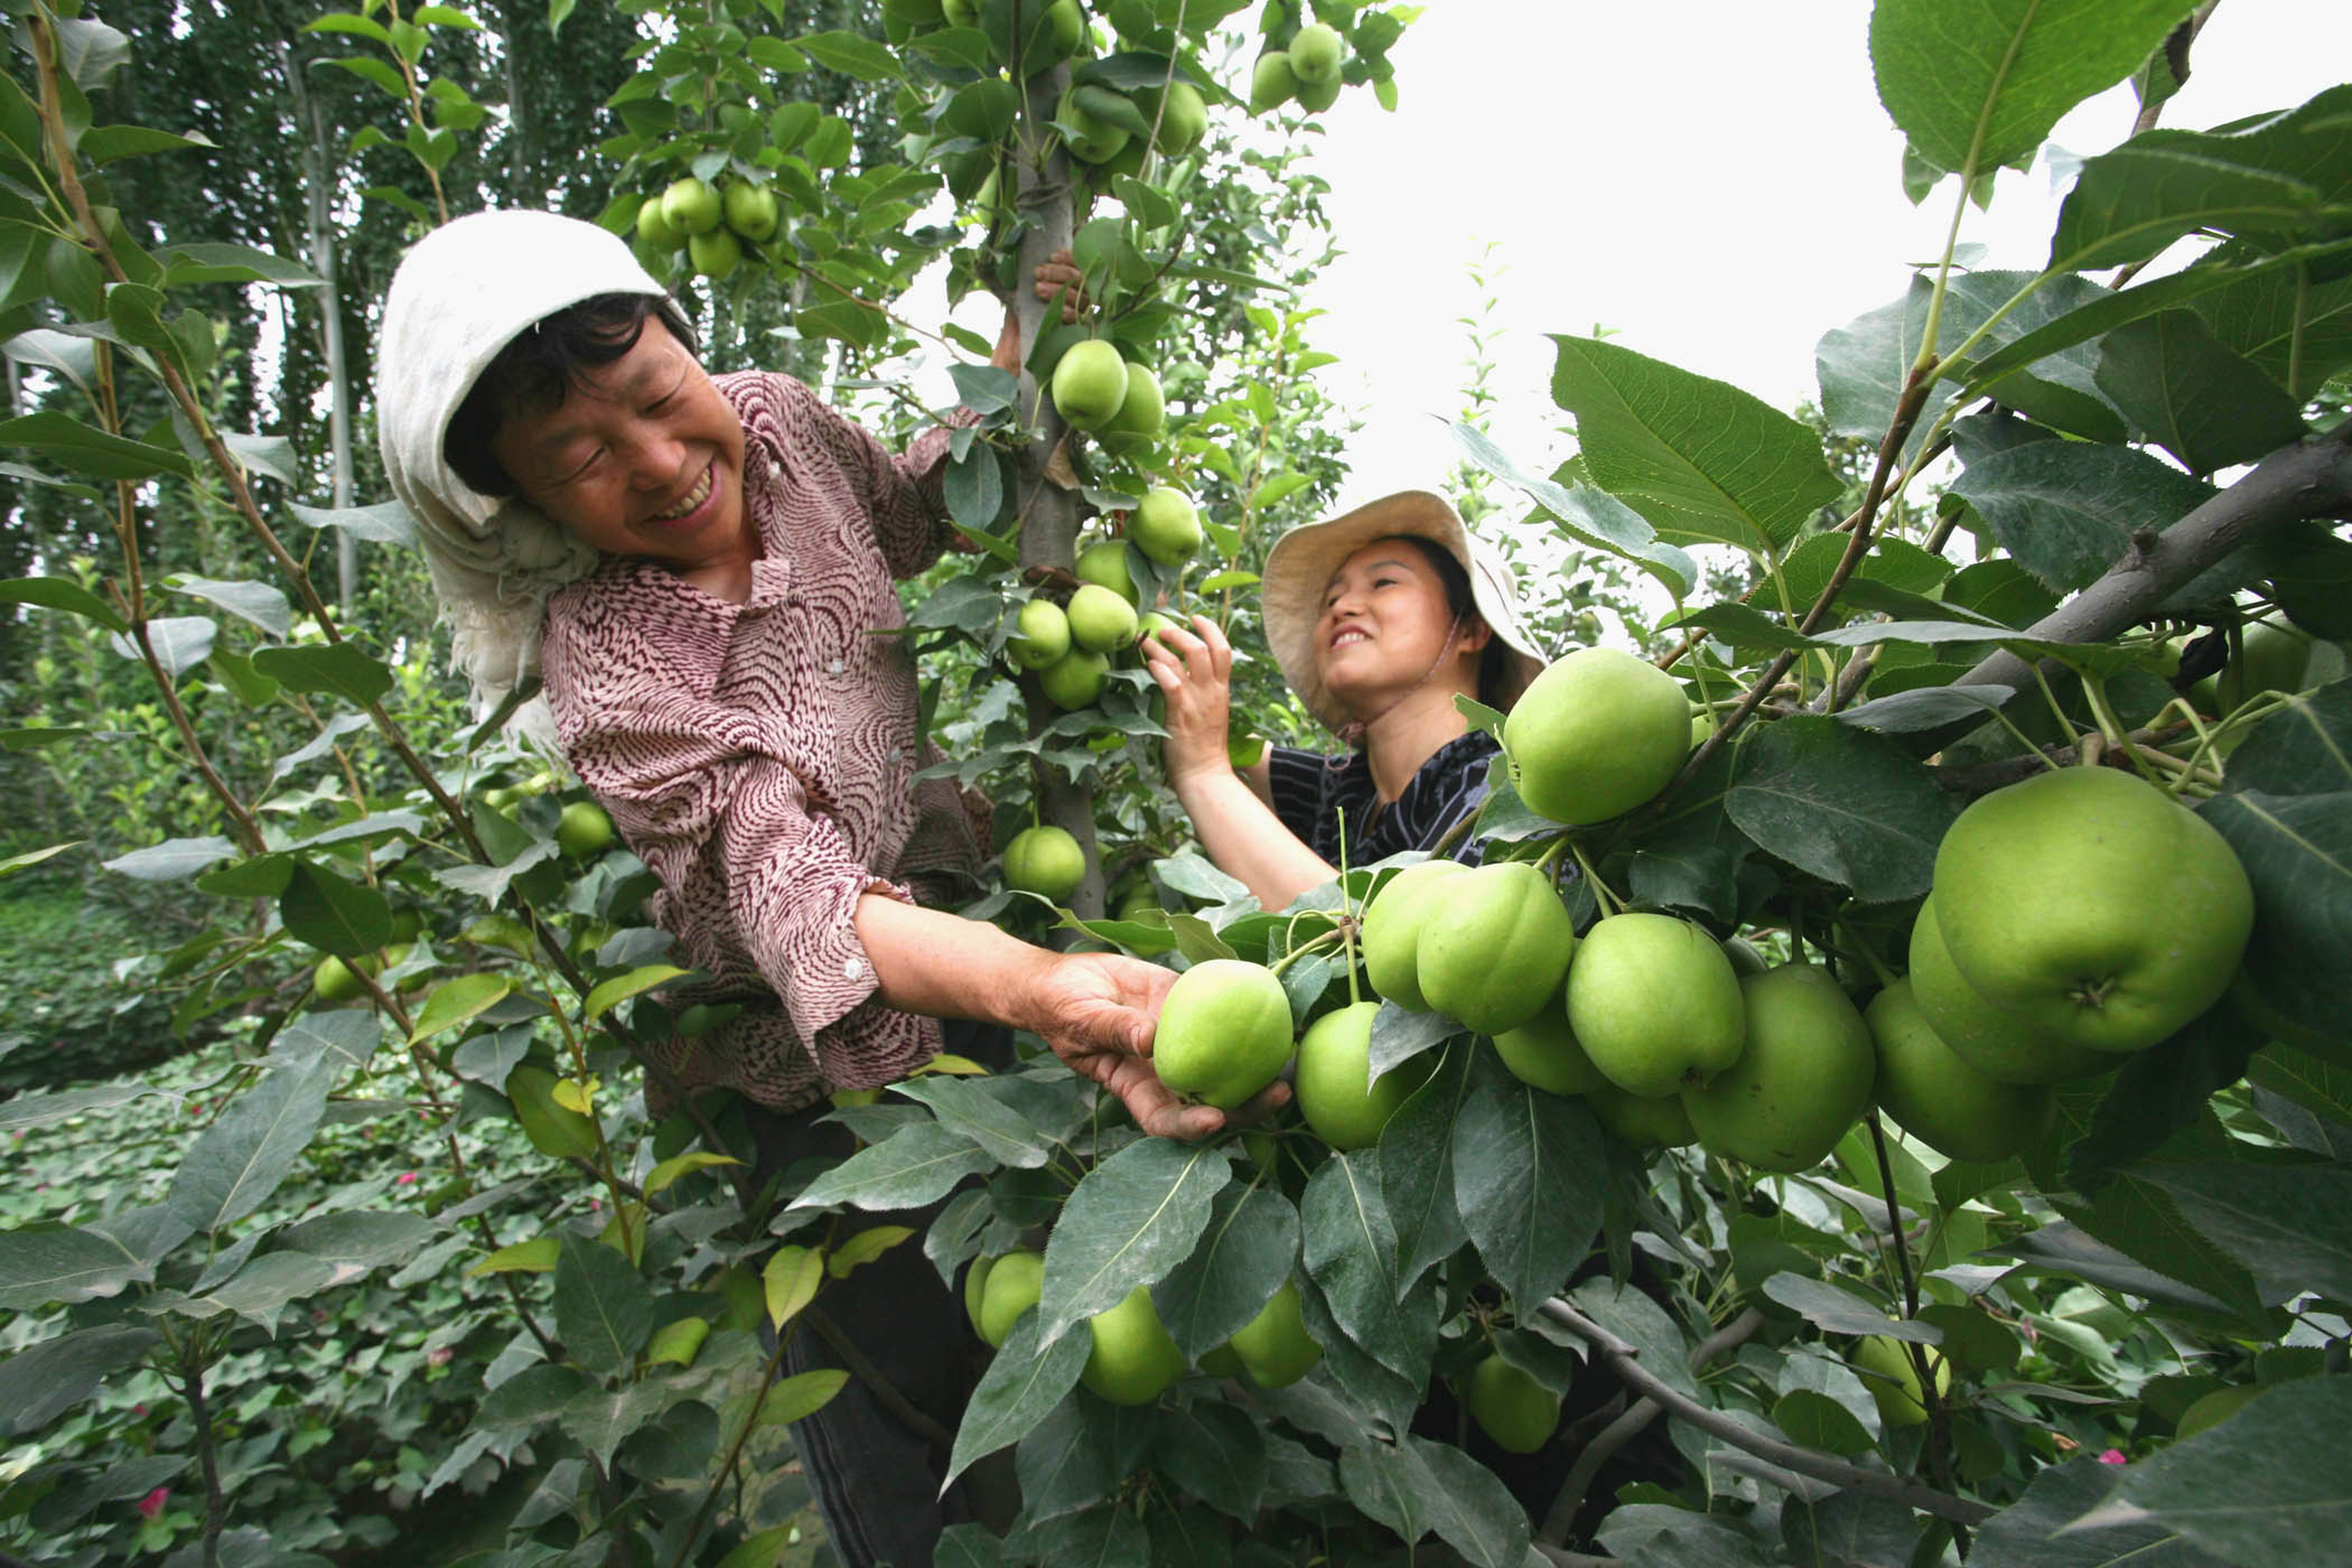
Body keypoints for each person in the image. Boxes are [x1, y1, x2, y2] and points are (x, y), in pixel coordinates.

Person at [375, 208, 1263, 1565]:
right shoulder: (607, 663)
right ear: (527, 502)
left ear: (688, 347)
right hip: (804, 1089)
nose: (665, 462)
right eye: (583, 459)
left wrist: (1025, 360)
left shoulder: (782, 427)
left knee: (1053, 1383)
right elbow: (781, 874)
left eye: (665, 398)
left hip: (967, 980)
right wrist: (1042, 985)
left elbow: (920, 505)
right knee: (898, 1436)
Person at [1142, 490, 1549, 909]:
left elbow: (1403, 946)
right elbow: (1224, 741)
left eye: (1384, 582)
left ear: (1471, 631)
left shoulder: (1509, 787)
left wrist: (1204, 771)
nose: (1344, 608)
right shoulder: (1347, 796)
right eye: (1331, 600)